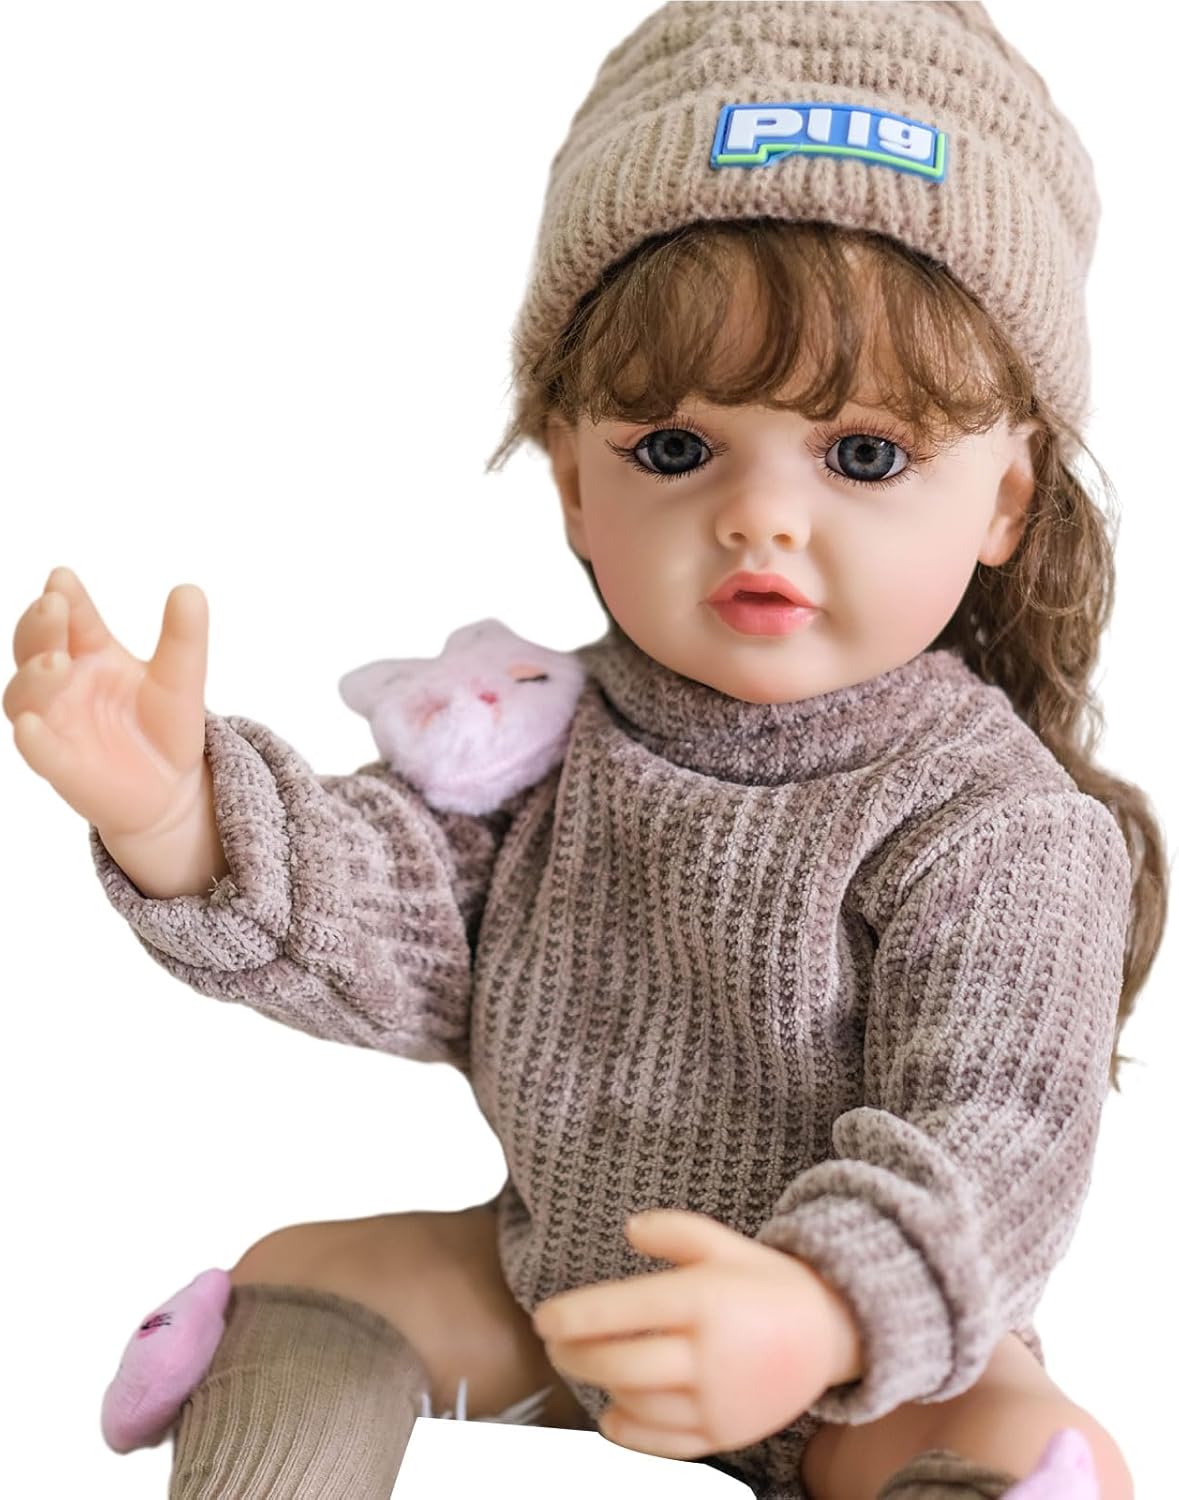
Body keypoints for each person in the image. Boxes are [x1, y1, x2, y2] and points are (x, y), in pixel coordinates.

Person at [3, 3, 1167, 1497]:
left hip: (862, 1358)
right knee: (303, 1280)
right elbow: (405, 910)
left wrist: (818, 1311)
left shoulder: (999, 824)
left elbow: (1001, 1134)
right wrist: (179, 817)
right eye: (675, 449)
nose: (760, 517)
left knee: (1031, 1450)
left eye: (864, 454)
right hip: (569, 1293)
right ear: (570, 477)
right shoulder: (545, 737)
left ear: (1006, 497)